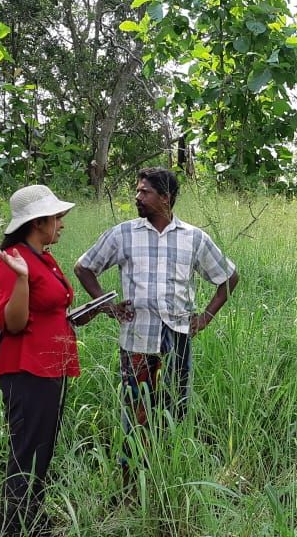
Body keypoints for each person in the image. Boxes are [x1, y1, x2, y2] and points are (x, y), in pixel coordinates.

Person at [73, 167, 238, 483]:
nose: (137, 197)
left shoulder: (193, 238)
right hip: (136, 337)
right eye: (137, 191)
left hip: (178, 337)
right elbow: (84, 267)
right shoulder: (124, 234)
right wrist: (106, 306)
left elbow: (229, 277)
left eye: (144, 192)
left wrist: (206, 317)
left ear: (166, 197)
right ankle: (132, 479)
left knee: (175, 406)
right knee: (135, 408)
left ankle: (168, 474)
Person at [0, 184, 87, 536]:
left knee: (41, 451)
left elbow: (49, 308)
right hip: (27, 369)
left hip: (49, 365)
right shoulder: (12, 262)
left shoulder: (43, 258)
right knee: (28, 454)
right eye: (57, 218)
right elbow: (14, 322)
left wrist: (76, 316)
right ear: (38, 222)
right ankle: (17, 526)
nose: (62, 224)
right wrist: (21, 278)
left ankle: (32, 522)